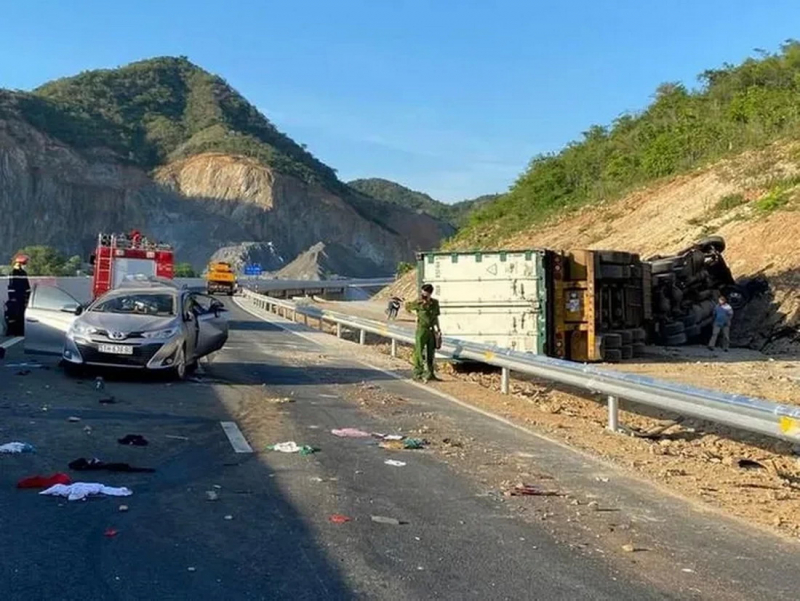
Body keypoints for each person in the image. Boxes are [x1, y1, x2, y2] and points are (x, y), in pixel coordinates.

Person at [406, 284, 441, 382]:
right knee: (419, 352)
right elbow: (407, 307)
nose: (423, 295)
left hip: (431, 330)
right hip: (421, 329)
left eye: (425, 294)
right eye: (422, 293)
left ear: (430, 293)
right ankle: (418, 372)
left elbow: (435, 317)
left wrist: (438, 329)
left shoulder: (435, 303)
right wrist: (417, 306)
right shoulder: (418, 303)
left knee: (431, 352)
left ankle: (430, 373)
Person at [5, 255, 31, 336]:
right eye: (24, 263)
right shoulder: (13, 273)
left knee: (21, 315)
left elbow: (27, 287)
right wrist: (12, 298)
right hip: (15, 298)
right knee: (15, 315)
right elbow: (11, 286)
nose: (25, 265)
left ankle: (20, 331)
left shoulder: (23, 273)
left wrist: (28, 297)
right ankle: (15, 331)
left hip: (21, 298)